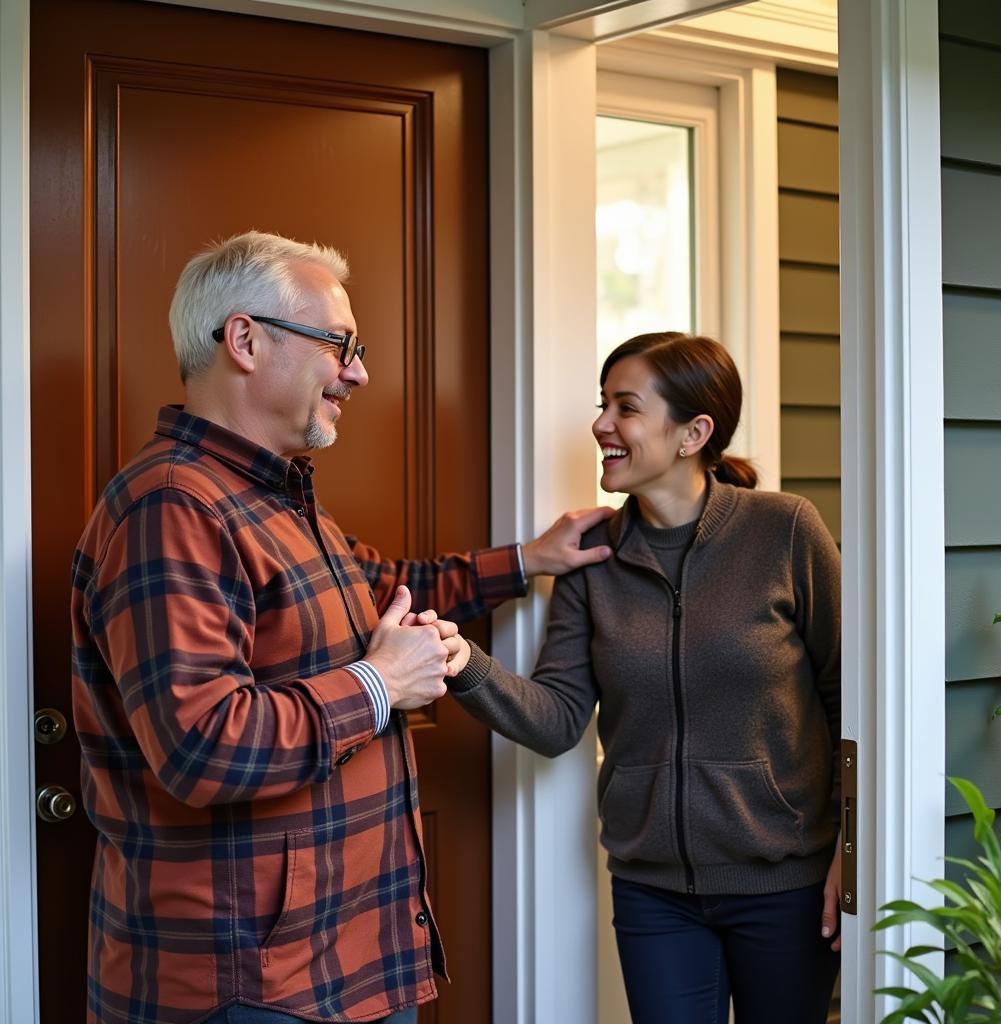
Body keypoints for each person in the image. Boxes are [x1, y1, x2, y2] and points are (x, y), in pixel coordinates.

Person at [70, 231, 611, 1024]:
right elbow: (202, 746)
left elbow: (385, 589)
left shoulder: (277, 499)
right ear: (246, 340)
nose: (357, 371)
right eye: (340, 344)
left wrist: (531, 557)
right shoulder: (172, 508)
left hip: (338, 964)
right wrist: (380, 684)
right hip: (244, 984)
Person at [442, 332, 842, 1024]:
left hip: (785, 883)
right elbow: (558, 715)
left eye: (625, 407)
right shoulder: (594, 560)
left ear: (694, 432)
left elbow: (846, 698)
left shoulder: (784, 532)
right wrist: (464, 663)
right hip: (652, 891)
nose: (601, 425)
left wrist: (847, 850)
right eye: (604, 405)